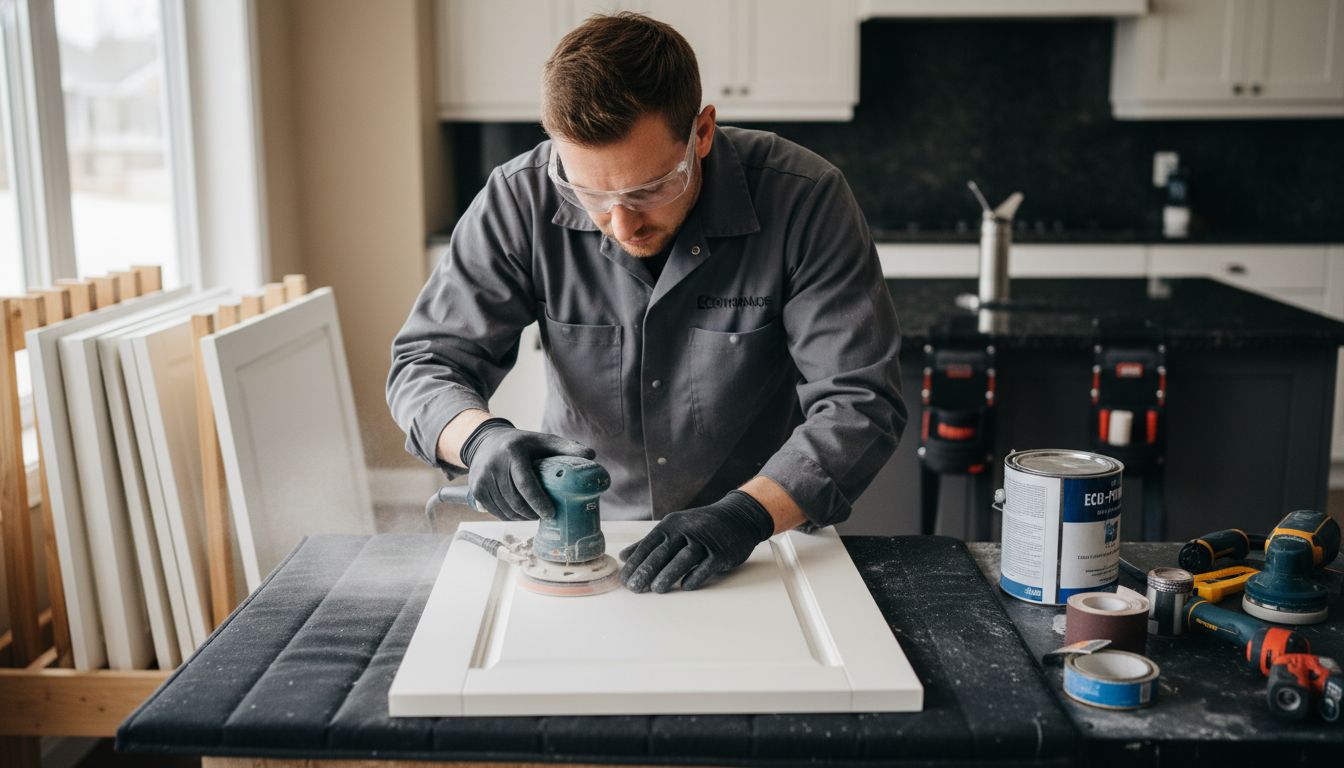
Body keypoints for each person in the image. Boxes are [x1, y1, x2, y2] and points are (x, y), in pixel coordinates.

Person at [387, 12, 905, 594]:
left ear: (701, 134)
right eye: (588, 193)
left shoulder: (805, 199)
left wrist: (747, 515)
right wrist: (479, 439)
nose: (621, 224)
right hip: (586, 538)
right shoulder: (519, 198)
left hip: (762, 535)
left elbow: (860, 400)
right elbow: (427, 363)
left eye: (649, 189)